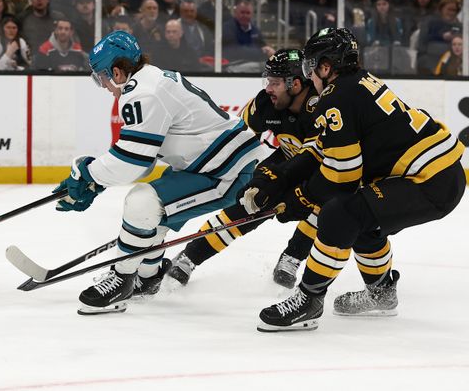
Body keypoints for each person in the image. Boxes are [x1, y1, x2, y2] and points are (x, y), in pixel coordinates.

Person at [239, 28, 465, 332]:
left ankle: (309, 299)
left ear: (326, 66)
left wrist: (299, 199)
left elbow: (341, 176)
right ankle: (381, 294)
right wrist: (280, 178)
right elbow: (322, 148)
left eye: (311, 67)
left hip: (430, 181)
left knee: (341, 212)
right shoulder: (354, 84)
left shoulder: (336, 97)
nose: (309, 77)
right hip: (436, 174)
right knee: (361, 215)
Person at [55, 30, 262, 315]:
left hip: (226, 172)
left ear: (116, 71)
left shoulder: (142, 92)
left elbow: (133, 160)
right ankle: (149, 277)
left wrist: (88, 174)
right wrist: (99, 180)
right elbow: (144, 159)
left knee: (142, 203)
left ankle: (121, 279)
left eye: (101, 77)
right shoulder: (149, 79)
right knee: (153, 212)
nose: (102, 85)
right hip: (212, 165)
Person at [166, 49, 321, 290]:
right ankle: (190, 256)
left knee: (323, 208)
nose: (268, 88)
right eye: (267, 81)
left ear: (296, 84)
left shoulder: (322, 108)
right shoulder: (265, 103)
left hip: (325, 173)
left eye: (275, 83)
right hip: (287, 161)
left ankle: (293, 256)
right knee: (247, 205)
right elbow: (235, 135)